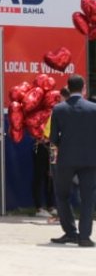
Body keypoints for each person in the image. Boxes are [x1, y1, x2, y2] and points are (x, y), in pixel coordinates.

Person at [48, 74, 96, 247]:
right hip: (90, 160)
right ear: (84, 88)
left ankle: (70, 232)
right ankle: (84, 237)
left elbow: (53, 139)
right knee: (88, 198)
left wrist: (53, 162)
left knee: (62, 195)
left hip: (65, 160)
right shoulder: (93, 108)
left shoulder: (59, 109)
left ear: (67, 88)